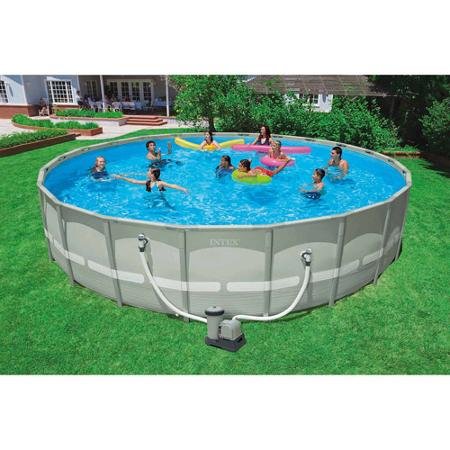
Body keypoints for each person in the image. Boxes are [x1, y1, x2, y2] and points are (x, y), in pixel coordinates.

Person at [114, 167, 188, 194]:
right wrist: (121, 177)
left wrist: (183, 189)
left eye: (149, 171)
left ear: (152, 175)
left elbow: (172, 185)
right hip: (151, 199)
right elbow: (134, 181)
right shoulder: (148, 182)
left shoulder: (159, 183)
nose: (147, 172)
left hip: (160, 200)